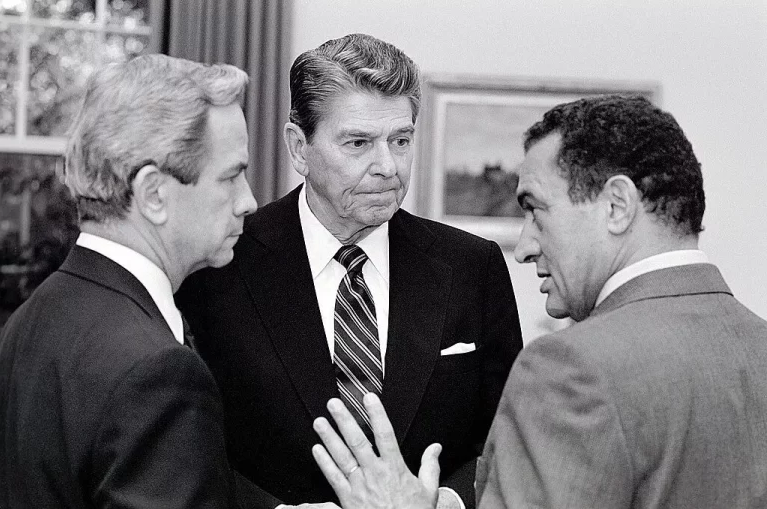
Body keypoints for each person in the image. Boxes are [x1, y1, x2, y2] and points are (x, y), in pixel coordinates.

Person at [312, 94, 767, 509]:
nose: (524, 245)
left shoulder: (572, 369)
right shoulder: (758, 345)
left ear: (616, 206)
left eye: (535, 209)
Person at [176, 33, 523, 509]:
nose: (387, 166)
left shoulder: (471, 268)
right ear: (299, 148)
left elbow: (507, 438)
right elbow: (189, 451)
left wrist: (441, 502)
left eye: (401, 140)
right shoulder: (218, 265)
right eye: (358, 143)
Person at [0, 54, 280, 508]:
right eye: (231, 176)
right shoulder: (157, 372)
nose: (248, 201)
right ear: (153, 194)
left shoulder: (33, 317)